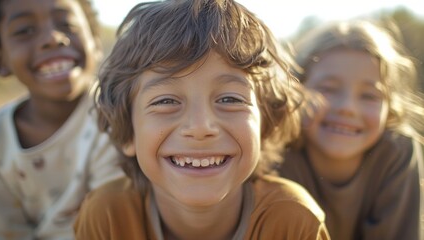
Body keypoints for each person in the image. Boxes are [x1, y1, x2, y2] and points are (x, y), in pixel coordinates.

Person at [73, 0, 331, 239]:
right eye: (166, 101)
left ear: (264, 126)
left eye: (230, 99)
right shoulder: (107, 216)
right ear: (128, 131)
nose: (200, 128)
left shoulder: (293, 222)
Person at [276, 20, 424, 240]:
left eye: (369, 96)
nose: (347, 108)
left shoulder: (397, 153)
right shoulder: (277, 155)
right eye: (328, 89)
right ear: (296, 91)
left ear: (390, 106)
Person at [0, 0, 124, 239]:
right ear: (0, 59)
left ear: (95, 41)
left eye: (67, 24)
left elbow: (109, 222)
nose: (53, 38)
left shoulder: (117, 118)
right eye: (25, 31)